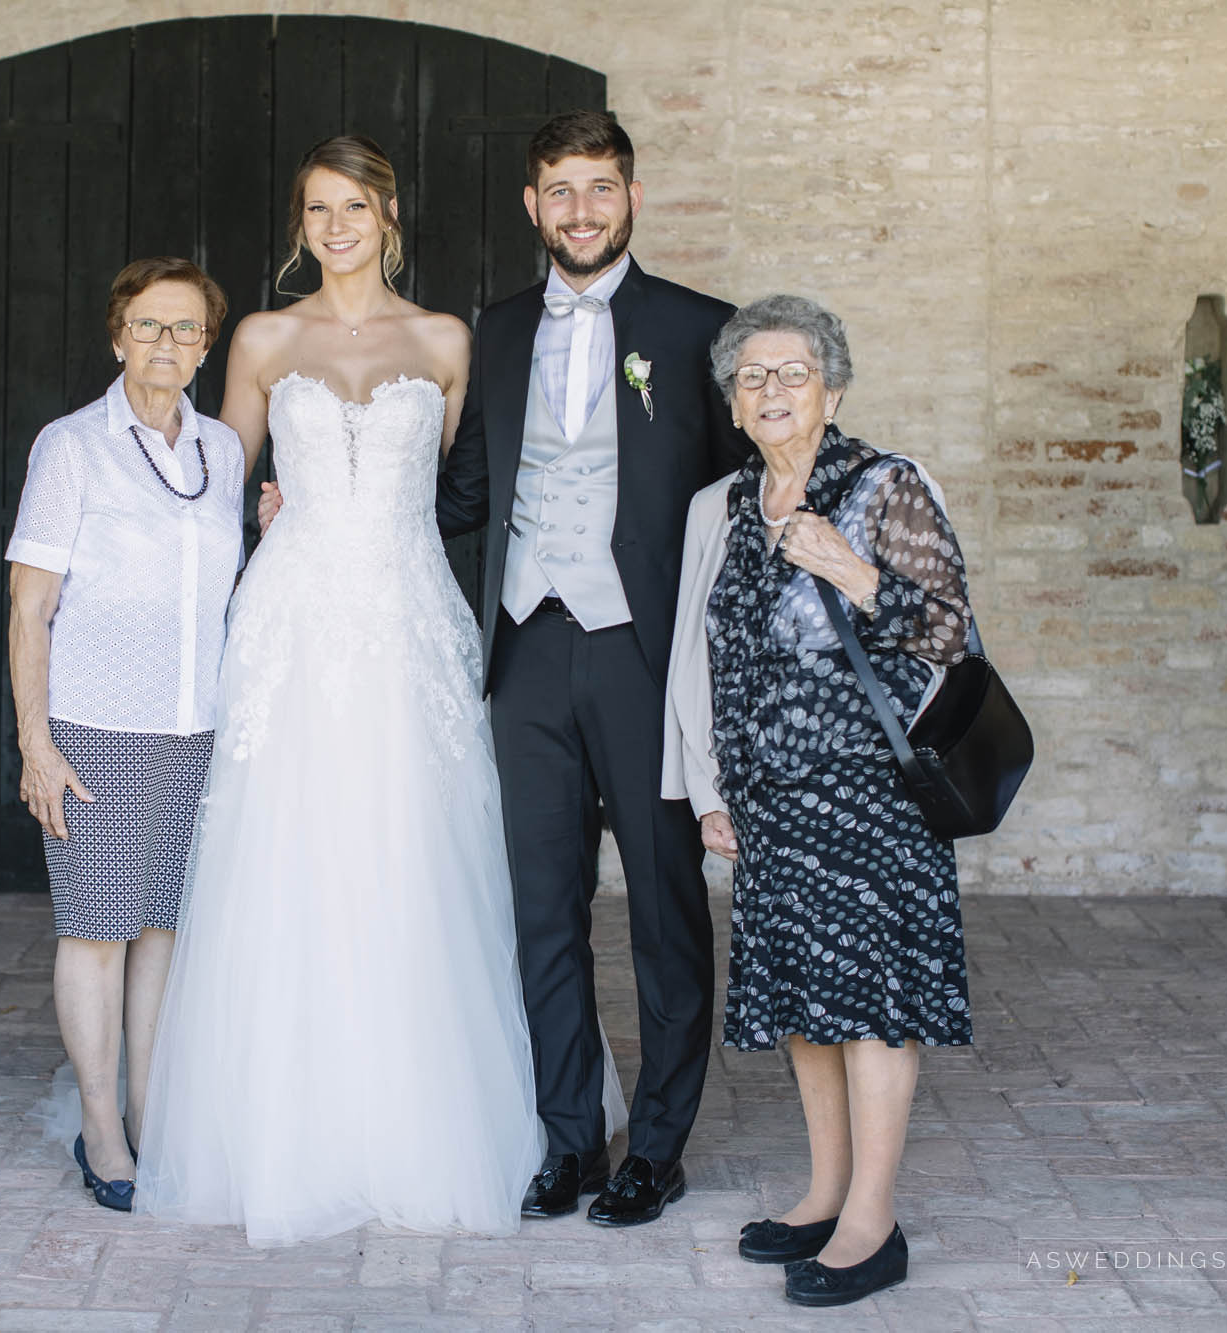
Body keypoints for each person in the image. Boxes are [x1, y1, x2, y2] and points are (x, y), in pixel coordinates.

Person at [134, 136, 543, 1246]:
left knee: (414, 849)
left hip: (408, 617)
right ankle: (280, 1123)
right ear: (298, 224)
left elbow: (459, 489)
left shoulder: (445, 339)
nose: (335, 225)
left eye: (353, 205)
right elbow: (214, 486)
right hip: (294, 622)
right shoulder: (265, 338)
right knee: (291, 851)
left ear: (389, 212)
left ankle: (422, 1116)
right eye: (316, 208)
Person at [431, 110, 745, 1226]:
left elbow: (741, 500)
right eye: (558, 190)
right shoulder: (499, 328)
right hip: (526, 650)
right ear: (531, 205)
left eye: (598, 188)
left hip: (645, 658)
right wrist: (322, 506)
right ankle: (570, 1138)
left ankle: (654, 1147)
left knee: (663, 905)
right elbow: (462, 493)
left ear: (632, 196)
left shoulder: (698, 329)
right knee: (541, 907)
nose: (578, 210)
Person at [662, 294, 974, 1307]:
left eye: (791, 371)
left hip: (871, 796)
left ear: (831, 387)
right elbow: (698, 661)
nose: (770, 390)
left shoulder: (884, 485)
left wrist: (852, 569)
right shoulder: (721, 504)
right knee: (805, 996)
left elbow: (948, 634)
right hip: (770, 799)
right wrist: (709, 787)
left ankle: (872, 1222)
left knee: (872, 1000)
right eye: (751, 376)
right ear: (732, 401)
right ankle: (826, 1191)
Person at [5, 258, 244, 1212]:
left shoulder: (222, 450)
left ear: (205, 345)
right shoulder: (71, 447)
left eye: (186, 329)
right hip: (95, 726)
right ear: (117, 337)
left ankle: (151, 1111)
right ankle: (100, 1126)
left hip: (197, 726)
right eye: (148, 326)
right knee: (96, 930)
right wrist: (36, 742)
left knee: (161, 933)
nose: (167, 344)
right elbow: (30, 607)